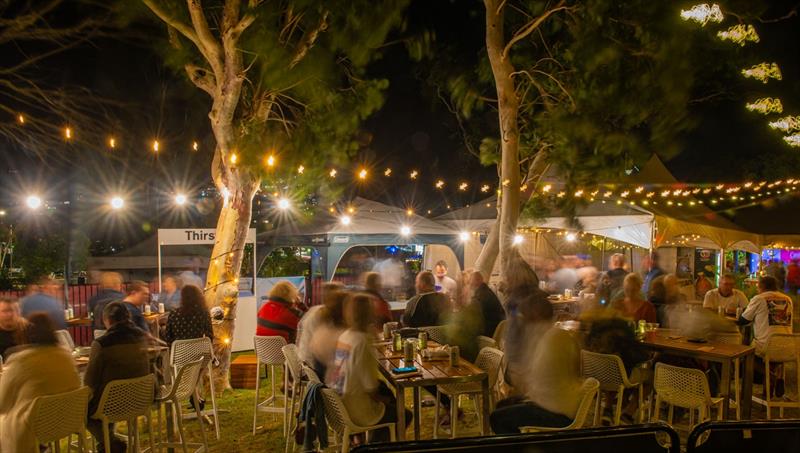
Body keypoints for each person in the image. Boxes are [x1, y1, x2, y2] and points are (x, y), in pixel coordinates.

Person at [490, 294, 584, 433]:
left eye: (525, 317)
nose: (523, 322)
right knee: (504, 406)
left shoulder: (546, 339)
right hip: (562, 404)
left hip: (556, 411)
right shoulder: (558, 335)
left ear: (534, 316)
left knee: (497, 418)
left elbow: (530, 378)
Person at [327, 293, 410, 442]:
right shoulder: (362, 341)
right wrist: (385, 400)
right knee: (404, 414)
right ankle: (375, 446)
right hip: (358, 411)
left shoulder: (345, 335)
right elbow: (370, 388)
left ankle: (370, 441)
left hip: (339, 406)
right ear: (369, 314)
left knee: (388, 395)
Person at [0, 313, 81, 452]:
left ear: (24, 334)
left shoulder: (20, 361)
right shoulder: (66, 356)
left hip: (33, 427)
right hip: (65, 420)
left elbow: (2, 403)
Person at [84, 302, 150, 453]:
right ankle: (109, 443)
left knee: (84, 410)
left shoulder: (101, 344)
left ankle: (109, 443)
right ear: (128, 317)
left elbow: (89, 382)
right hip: (139, 400)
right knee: (105, 399)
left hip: (111, 405)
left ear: (107, 320)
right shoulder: (141, 337)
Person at [737, 276, 793, 354]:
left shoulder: (759, 298)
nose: (757, 289)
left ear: (761, 287)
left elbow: (744, 320)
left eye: (758, 287)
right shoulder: (788, 299)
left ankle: (750, 365)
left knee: (746, 348)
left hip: (765, 346)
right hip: (786, 346)